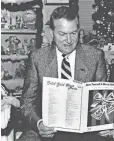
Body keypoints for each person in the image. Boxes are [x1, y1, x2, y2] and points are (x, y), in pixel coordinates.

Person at [18, 6, 107, 141]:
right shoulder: (37, 58)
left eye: (73, 33)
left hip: (84, 132)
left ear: (79, 32)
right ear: (52, 33)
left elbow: (102, 98)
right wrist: (39, 123)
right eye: (62, 34)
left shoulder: (95, 56)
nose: (69, 40)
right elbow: (27, 102)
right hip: (48, 130)